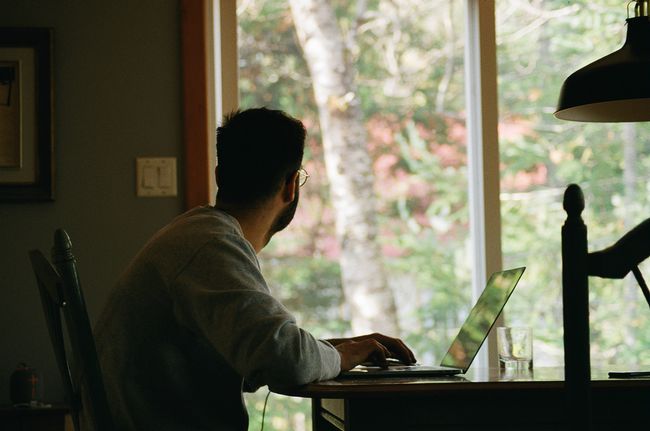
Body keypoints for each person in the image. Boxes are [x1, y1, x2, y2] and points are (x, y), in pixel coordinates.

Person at [92, 107, 416, 431]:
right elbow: (285, 361)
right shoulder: (210, 246)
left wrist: (336, 350)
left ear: (219, 176)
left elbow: (257, 352)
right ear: (291, 186)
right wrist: (342, 358)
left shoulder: (196, 234)